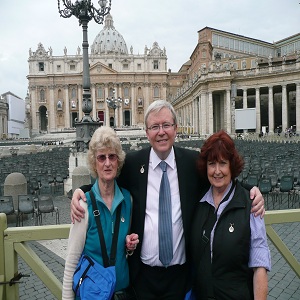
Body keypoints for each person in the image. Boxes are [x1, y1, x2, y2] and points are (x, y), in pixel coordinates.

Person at [70, 100, 265, 300]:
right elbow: (107, 177)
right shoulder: (133, 164)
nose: (161, 132)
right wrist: (82, 190)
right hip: (143, 277)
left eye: (166, 125)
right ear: (147, 132)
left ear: (175, 129)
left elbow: (219, 176)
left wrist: (250, 190)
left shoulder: (192, 162)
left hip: (181, 276)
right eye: (155, 127)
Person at [190, 130, 270, 300]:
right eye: (212, 164)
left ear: (232, 166)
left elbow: (260, 265)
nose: (217, 171)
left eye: (223, 163)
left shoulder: (251, 204)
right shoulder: (198, 201)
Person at [62, 126, 139, 299]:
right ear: (94, 163)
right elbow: (72, 260)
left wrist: (128, 246)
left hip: (122, 293)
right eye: (101, 157)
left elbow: (121, 248)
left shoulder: (128, 200)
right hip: (93, 294)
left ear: (118, 161)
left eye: (112, 156)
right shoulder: (83, 205)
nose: (107, 163)